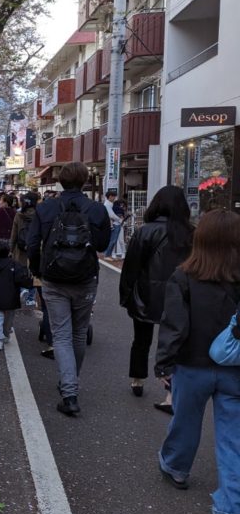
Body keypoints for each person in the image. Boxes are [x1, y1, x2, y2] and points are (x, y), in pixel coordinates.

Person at [154, 209, 240, 514]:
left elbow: (175, 325)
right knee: (234, 437)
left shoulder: (184, 276)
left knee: (185, 421)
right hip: (235, 368)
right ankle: (233, 507)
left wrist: (164, 363)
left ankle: (176, 467)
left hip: (192, 364)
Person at [25, 161, 111, 416]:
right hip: (85, 278)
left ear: (60, 181)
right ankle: (70, 381)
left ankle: (69, 392)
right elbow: (103, 245)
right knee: (79, 332)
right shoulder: (96, 209)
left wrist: (37, 269)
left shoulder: (47, 207)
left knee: (61, 334)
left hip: (53, 277)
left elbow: (32, 243)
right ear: (84, 181)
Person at [119, 186, 193, 402]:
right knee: (176, 341)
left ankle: (137, 378)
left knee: (141, 340)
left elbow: (131, 267)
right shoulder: (191, 233)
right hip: (180, 295)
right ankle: (171, 389)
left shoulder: (145, 231)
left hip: (146, 294)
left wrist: (126, 295)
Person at [0, 239, 33, 351]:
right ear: (8, 252)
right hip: (11, 298)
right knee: (8, 319)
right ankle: (5, 335)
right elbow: (21, 279)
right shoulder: (15, 265)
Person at [11, 191, 40, 308]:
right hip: (35, 248)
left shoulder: (18, 215)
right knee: (34, 272)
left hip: (20, 248)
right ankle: (30, 298)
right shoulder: (40, 214)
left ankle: (22, 290)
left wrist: (10, 249)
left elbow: (14, 234)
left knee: (20, 271)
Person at [103, 190, 124, 258]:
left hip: (115, 223)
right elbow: (111, 215)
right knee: (113, 240)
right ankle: (108, 255)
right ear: (110, 197)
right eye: (114, 197)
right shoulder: (107, 204)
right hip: (114, 224)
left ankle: (109, 254)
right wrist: (120, 220)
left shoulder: (110, 204)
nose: (115, 198)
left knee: (115, 240)